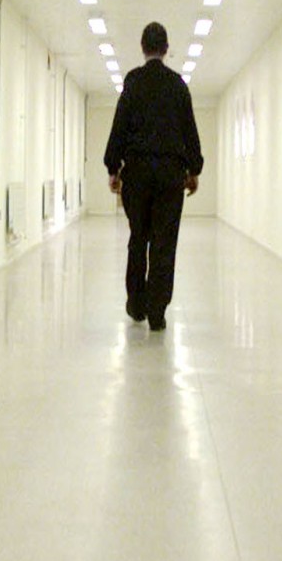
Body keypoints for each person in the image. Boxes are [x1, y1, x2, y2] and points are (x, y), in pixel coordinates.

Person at [103, 22, 203, 331]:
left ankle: (136, 305)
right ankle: (157, 311)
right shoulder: (178, 85)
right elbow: (189, 129)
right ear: (166, 48)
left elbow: (119, 126)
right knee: (164, 243)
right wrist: (193, 169)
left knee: (138, 238)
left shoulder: (133, 82)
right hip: (171, 176)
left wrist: (113, 168)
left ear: (143, 48)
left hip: (138, 174)